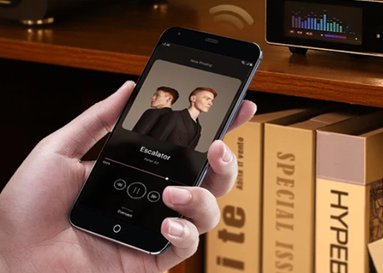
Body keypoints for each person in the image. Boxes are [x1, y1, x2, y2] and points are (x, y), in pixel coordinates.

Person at [0, 81, 257, 272]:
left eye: (212, 100)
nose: (210, 102)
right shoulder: (169, 116)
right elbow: (146, 143)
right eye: (206, 98)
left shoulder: (198, 129)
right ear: (193, 97)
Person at [150, 87, 216, 150]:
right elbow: (155, 141)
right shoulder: (174, 116)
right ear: (193, 98)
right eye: (207, 99)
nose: (211, 103)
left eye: (212, 100)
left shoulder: (198, 127)